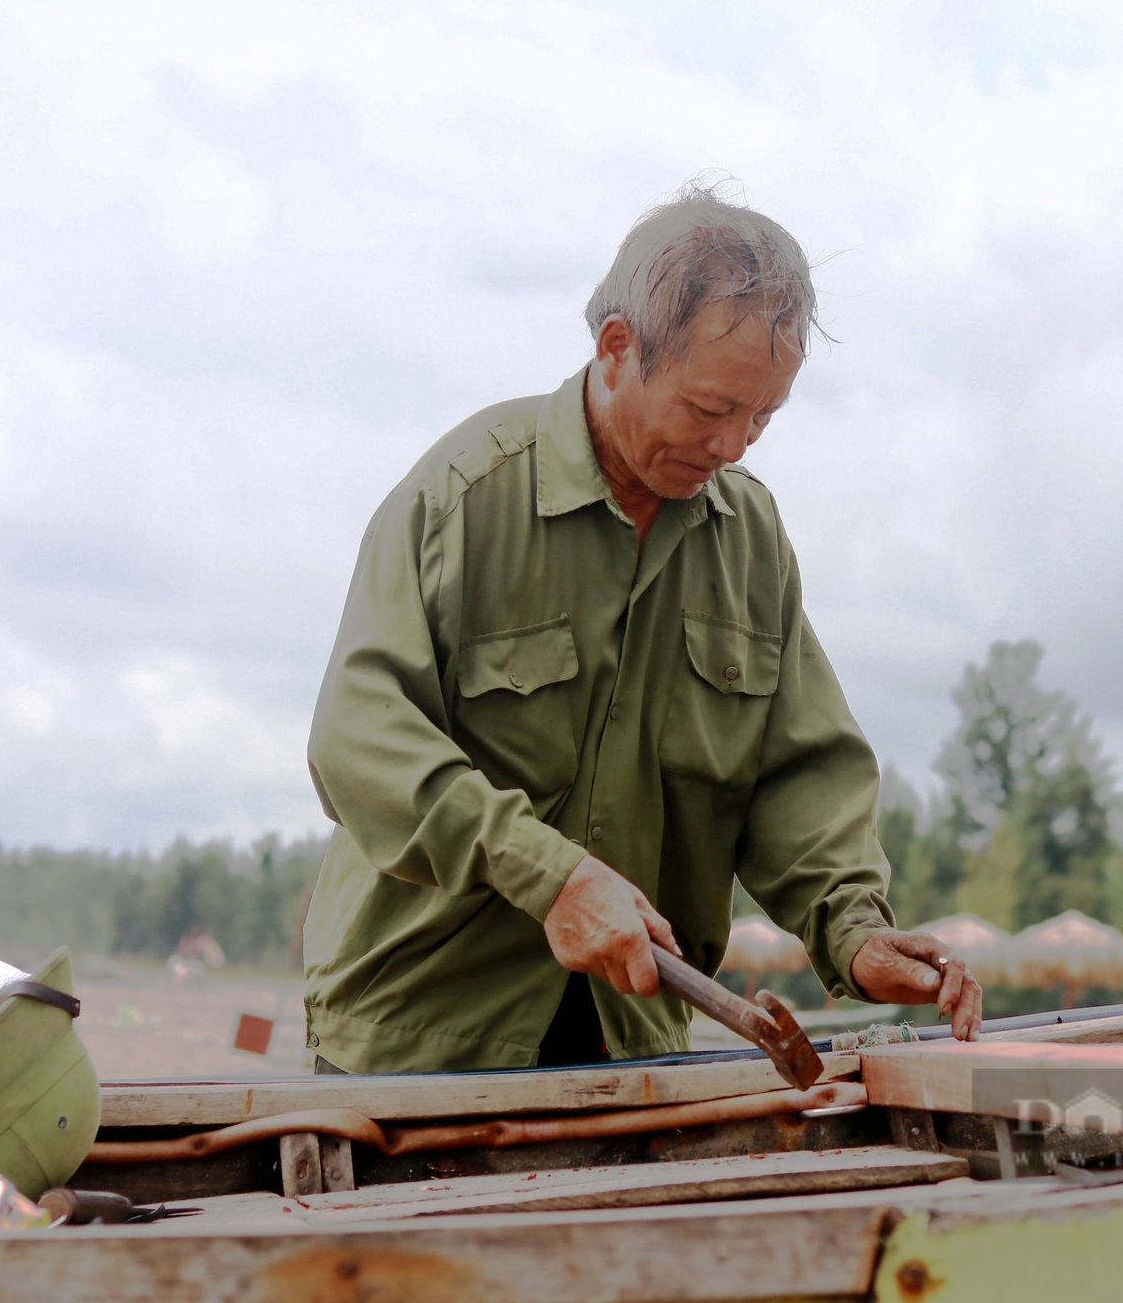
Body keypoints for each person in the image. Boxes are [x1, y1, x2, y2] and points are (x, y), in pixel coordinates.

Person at [300, 184, 983, 1074]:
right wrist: (550, 875)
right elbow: (356, 738)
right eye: (708, 411)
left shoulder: (751, 542)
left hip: (632, 1046)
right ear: (617, 350)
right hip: (419, 1041)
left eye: (763, 416)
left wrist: (852, 929)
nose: (735, 446)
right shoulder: (463, 499)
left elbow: (797, 775)